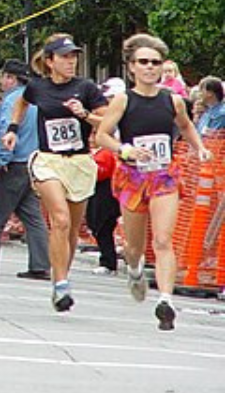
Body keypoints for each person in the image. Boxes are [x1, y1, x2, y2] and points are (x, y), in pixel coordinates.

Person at [96, 34, 212, 330]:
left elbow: (186, 127)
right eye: (143, 62)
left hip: (164, 176)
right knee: (135, 247)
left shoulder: (173, 101)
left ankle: (165, 300)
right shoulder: (123, 100)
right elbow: (103, 135)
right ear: (132, 67)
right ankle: (134, 270)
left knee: (162, 239)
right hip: (133, 176)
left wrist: (199, 147)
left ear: (162, 67)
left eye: (155, 63)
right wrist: (124, 149)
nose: (149, 67)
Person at [4, 33, 107, 312]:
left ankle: (61, 276)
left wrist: (85, 114)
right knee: (59, 220)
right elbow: (21, 103)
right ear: (50, 61)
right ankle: (60, 283)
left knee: (72, 227)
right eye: (64, 57)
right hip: (48, 160)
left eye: (74, 56)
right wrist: (13, 129)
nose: (71, 61)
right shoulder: (38, 87)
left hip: (79, 162)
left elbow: (108, 121)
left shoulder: (86, 88)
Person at [0, 59, 50, 279]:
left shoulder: (12, 101)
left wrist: (1, 160)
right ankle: (41, 263)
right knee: (32, 216)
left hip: (13, 163)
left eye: (4, 77)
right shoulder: (37, 100)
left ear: (10, 78)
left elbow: (7, 130)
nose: (2, 82)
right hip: (33, 163)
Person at [86, 77, 125, 276]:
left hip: (113, 185)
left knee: (103, 222)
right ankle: (108, 258)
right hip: (102, 185)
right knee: (96, 222)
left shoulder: (121, 120)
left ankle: (110, 260)